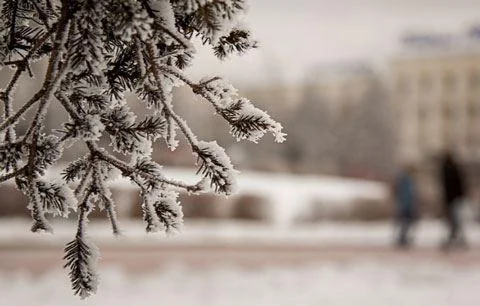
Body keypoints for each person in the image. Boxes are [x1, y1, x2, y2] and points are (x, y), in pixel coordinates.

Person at [439, 151, 468, 250]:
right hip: (453, 198)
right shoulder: (452, 169)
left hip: (451, 199)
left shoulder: (447, 170)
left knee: (454, 220)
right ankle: (456, 238)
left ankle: (454, 237)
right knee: (454, 220)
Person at [393, 164, 418, 248]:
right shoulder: (405, 180)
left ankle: (403, 237)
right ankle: (402, 237)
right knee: (404, 222)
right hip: (405, 204)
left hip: (406, 203)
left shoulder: (407, 180)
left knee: (406, 222)